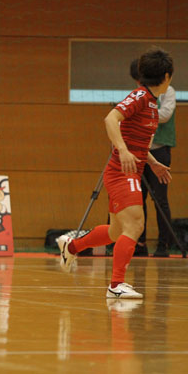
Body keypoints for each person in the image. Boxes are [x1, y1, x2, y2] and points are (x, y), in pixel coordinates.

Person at [57, 47, 173, 299]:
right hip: (122, 171)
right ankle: (116, 285)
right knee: (135, 225)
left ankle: (71, 246)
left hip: (132, 169)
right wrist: (122, 150)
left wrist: (152, 162)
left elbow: (137, 143)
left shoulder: (152, 104)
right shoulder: (140, 96)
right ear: (166, 76)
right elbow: (111, 119)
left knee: (116, 232)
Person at [128, 59, 177, 258]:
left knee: (160, 199)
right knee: (138, 199)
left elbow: (165, 114)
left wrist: (143, 109)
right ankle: (140, 243)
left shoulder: (168, 91)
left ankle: (163, 244)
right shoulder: (139, 94)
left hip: (159, 150)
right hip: (139, 152)